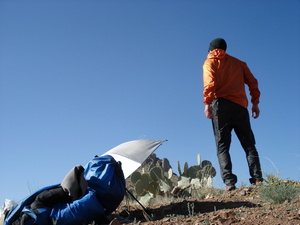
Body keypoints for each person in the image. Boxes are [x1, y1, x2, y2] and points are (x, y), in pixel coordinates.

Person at [202, 38, 263, 191]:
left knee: (222, 146)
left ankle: (230, 184)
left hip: (220, 106)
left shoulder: (209, 63)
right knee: (249, 145)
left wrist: (207, 103)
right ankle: (257, 180)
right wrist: (255, 103)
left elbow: (210, 83)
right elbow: (253, 82)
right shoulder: (239, 64)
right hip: (240, 106)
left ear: (210, 50)